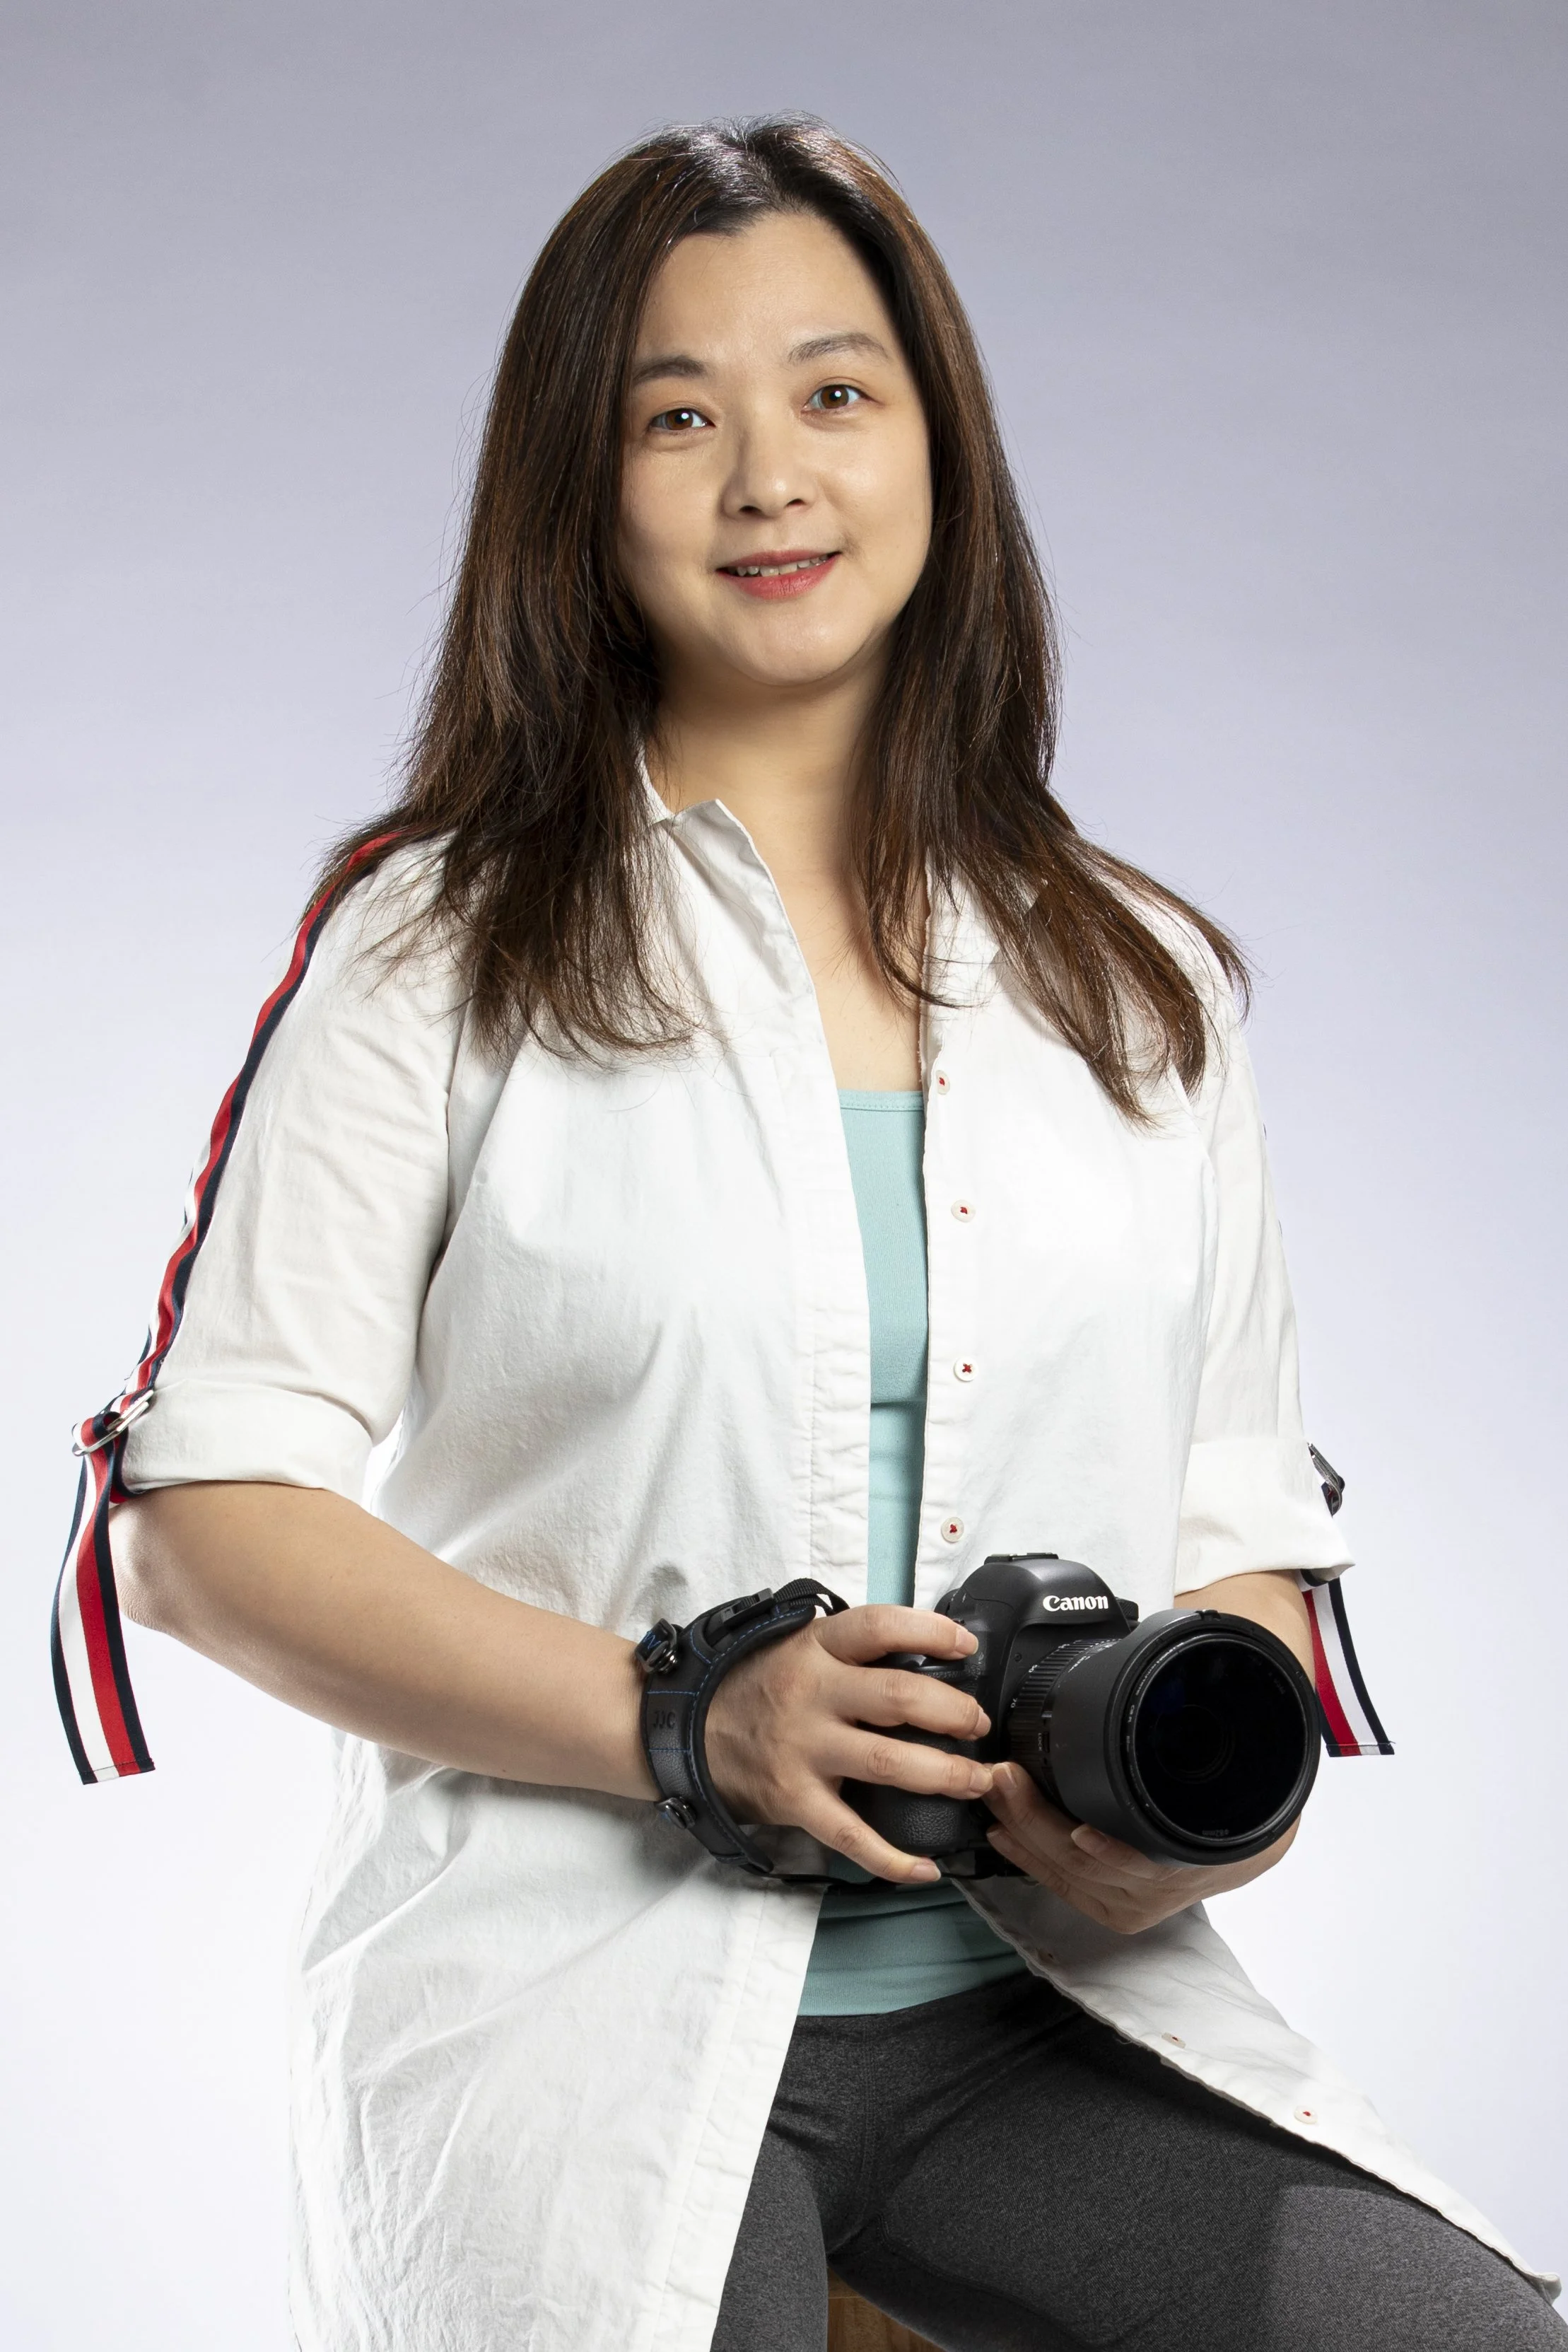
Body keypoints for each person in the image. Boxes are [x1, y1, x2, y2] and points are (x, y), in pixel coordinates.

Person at [81, 118, 1557, 2351]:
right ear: (578, 493)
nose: (770, 475)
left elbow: (1240, 1523)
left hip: (1036, 2019)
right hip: (575, 2023)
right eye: (678, 415)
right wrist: (681, 1718)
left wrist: (1185, 1821)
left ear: (940, 447)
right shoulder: (437, 944)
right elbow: (201, 1513)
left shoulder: (1136, 979)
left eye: (836, 393)